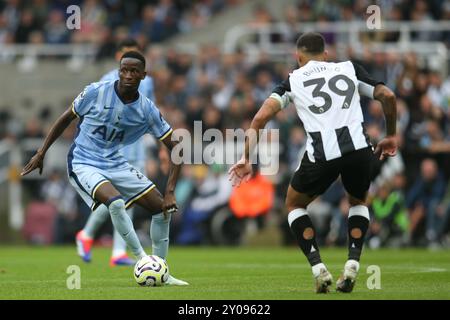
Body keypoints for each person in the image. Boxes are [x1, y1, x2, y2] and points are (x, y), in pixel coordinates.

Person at [228, 32, 397, 293]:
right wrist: (391, 135)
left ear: (298, 57)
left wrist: (246, 158)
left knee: (294, 204)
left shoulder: (293, 80)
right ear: (326, 54)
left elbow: (260, 118)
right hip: (359, 150)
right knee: (358, 201)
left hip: (322, 154)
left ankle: (319, 269)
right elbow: (388, 96)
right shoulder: (349, 68)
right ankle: (352, 262)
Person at [21, 50, 188, 286]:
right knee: (116, 203)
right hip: (83, 162)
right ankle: (143, 261)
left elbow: (176, 147)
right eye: (124, 70)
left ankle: (160, 271)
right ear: (119, 70)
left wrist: (170, 191)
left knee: (162, 210)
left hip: (115, 162)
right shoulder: (96, 91)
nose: (128, 75)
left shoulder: (146, 109)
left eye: (133, 71)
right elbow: (66, 117)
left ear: (143, 75)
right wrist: (41, 152)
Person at [75, 38, 159, 267]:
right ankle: (104, 243)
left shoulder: (148, 82)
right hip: (110, 152)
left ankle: (105, 244)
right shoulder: (105, 81)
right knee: (118, 201)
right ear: (118, 56)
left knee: (124, 201)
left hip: (136, 150)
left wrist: (152, 151)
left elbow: (149, 116)